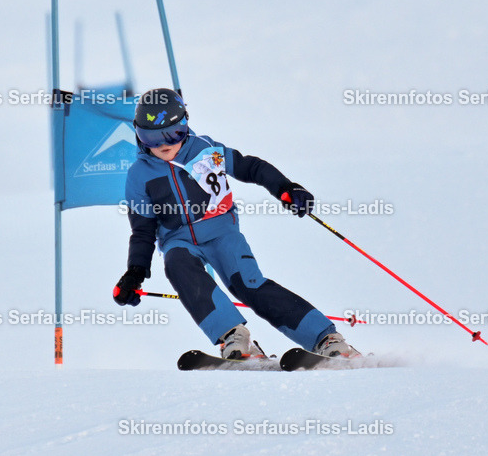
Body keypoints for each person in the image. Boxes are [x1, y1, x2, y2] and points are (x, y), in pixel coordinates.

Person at [113, 88, 361, 360]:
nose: (163, 144)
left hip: (221, 232)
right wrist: (135, 271)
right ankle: (233, 336)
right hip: (178, 240)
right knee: (177, 265)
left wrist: (285, 188)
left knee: (249, 284)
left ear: (185, 125)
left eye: (172, 133)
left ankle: (326, 338)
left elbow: (250, 167)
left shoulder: (205, 151)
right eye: (150, 137)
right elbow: (143, 228)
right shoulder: (139, 175)